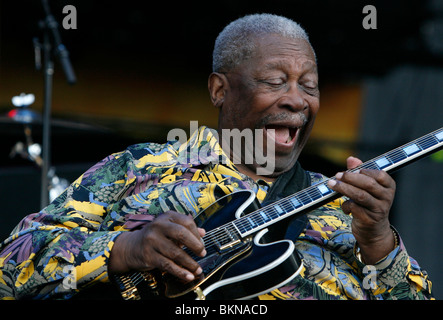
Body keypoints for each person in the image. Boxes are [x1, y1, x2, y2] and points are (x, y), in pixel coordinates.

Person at [0, 13, 433, 300]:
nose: (297, 99)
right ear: (220, 90)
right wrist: (123, 248)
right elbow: (10, 266)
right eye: (275, 81)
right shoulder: (140, 167)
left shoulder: (347, 210)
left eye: (309, 85)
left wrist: (378, 243)